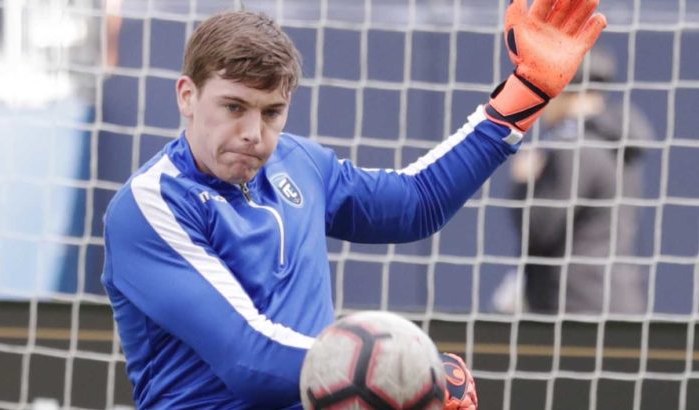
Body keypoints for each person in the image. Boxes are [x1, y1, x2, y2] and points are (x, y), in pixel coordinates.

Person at [101, 1, 606, 408]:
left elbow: (416, 203)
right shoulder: (150, 206)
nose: (254, 133)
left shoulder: (298, 162)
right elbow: (249, 361)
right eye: (233, 107)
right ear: (187, 96)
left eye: (272, 112)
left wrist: (526, 91)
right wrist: (410, 376)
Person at [510, 49, 655, 315]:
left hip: (576, 305)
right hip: (617, 299)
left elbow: (539, 228)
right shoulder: (617, 142)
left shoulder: (575, 149)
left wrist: (524, 184)